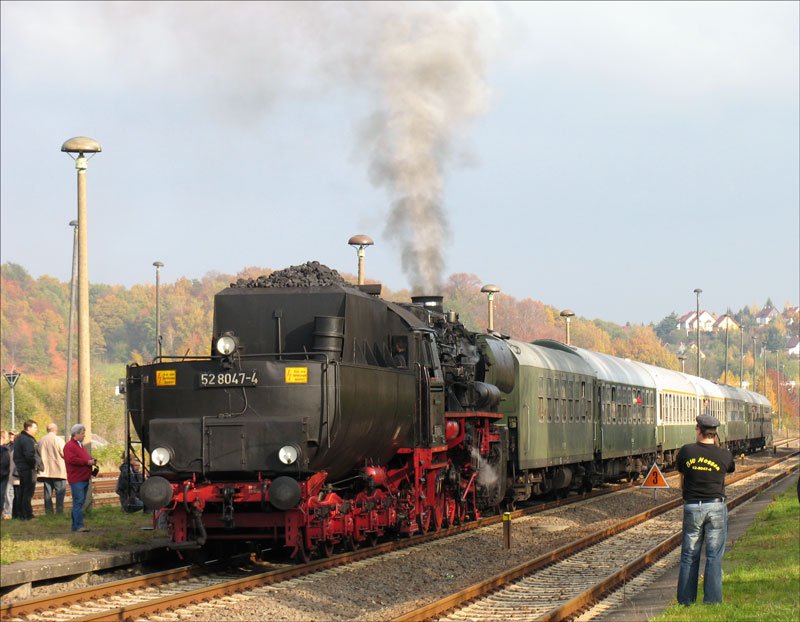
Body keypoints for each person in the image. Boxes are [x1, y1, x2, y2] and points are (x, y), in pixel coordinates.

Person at [676, 414, 736, 606]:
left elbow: (680, 469)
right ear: (714, 433)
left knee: (689, 555)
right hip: (716, 507)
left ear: (698, 430)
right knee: (713, 556)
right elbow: (730, 468)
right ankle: (712, 601)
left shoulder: (686, 451)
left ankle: (686, 601)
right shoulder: (724, 454)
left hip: (693, 507)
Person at [63, 423, 97, 532]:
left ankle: (76, 525)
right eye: (82, 434)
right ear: (76, 434)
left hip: (83, 477)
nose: (84, 436)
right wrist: (87, 462)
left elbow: (81, 456)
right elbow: (71, 460)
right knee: (78, 502)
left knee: (80, 502)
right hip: (77, 478)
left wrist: (91, 460)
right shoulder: (69, 446)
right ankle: (78, 525)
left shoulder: (79, 445)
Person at [37, 423, 67, 514]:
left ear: (47, 430)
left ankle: (49, 512)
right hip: (58, 471)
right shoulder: (59, 440)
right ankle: (59, 512)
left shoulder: (41, 440)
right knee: (60, 493)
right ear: (55, 430)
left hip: (45, 471)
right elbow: (64, 454)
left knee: (47, 493)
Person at [12, 419, 38, 520]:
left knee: (22, 492)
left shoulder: (19, 438)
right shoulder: (27, 440)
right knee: (28, 492)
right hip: (28, 469)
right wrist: (34, 465)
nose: (36, 430)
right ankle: (27, 515)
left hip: (21, 468)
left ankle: (21, 514)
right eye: (35, 427)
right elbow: (29, 455)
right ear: (28, 428)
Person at [3, 432, 16, 519]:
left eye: (13, 435)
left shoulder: (16, 447)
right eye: (10, 435)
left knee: (9, 493)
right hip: (6, 472)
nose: (11, 436)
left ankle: (9, 512)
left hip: (12, 473)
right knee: (6, 493)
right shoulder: (6, 446)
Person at [0, 430, 10, 520]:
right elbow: (5, 463)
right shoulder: (4, 449)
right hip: (3, 475)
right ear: (2, 438)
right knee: (2, 494)